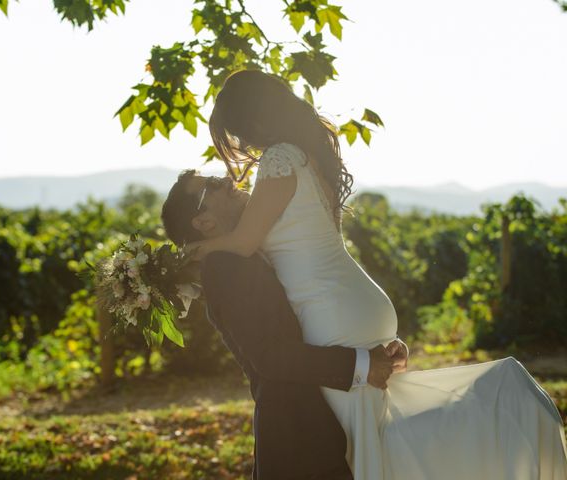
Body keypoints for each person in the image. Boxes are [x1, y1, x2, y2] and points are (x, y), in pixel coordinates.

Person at [184, 69, 567, 479]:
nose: (244, 147)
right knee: (377, 438)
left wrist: (187, 254)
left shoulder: (279, 159)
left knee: (364, 451)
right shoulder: (307, 156)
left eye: (240, 134)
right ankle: (503, 419)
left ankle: (503, 404)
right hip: (353, 304)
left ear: (256, 121)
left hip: (329, 314)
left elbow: (243, 242)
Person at [161, 170, 409, 479]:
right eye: (211, 186)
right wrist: (362, 364)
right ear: (204, 222)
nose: (227, 180)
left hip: (331, 421)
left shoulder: (250, 250)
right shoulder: (223, 266)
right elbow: (270, 356)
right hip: (301, 441)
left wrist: (374, 341)